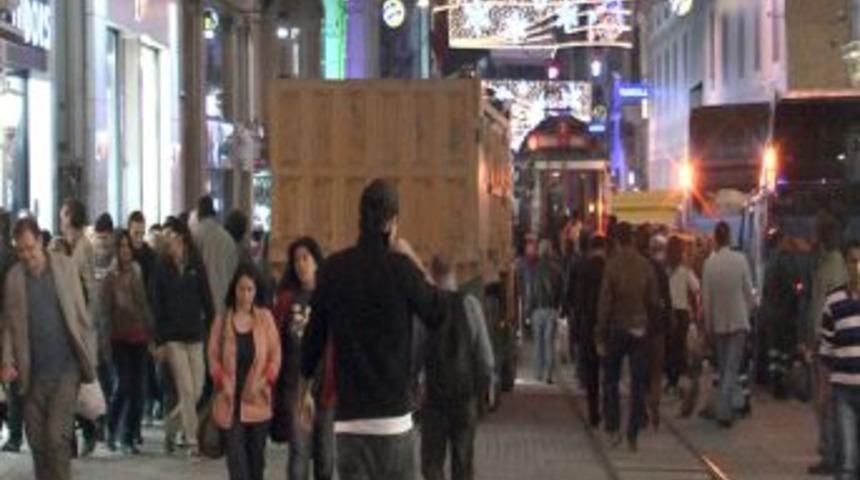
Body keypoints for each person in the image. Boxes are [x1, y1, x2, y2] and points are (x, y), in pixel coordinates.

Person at [301, 179, 449, 480]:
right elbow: (438, 312)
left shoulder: (333, 269)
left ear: (359, 218)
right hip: (393, 419)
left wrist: (303, 392)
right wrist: (412, 259)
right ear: (392, 223)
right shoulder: (402, 269)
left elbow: (312, 343)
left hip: (350, 420)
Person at [0, 217, 96, 480]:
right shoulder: (14, 278)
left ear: (41, 241)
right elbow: (8, 325)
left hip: (66, 368)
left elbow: (80, 314)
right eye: (20, 250)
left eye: (30, 248)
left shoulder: (64, 267)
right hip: (32, 374)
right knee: (37, 440)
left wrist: (90, 353)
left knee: (56, 437)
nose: (26, 255)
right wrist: (7, 361)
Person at [421, 255, 495, 480]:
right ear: (454, 275)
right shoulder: (470, 304)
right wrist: (485, 388)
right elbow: (486, 357)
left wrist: (415, 388)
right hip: (464, 397)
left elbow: (416, 353)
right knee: (463, 464)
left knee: (432, 464)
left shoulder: (425, 307)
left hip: (434, 399)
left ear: (432, 276)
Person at [208, 264, 281, 480]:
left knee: (256, 465)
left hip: (258, 402)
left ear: (256, 291)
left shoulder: (265, 319)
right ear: (234, 289)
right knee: (237, 466)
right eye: (242, 289)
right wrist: (222, 382)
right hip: (230, 404)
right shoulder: (222, 321)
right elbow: (212, 357)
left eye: (250, 289)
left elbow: (275, 357)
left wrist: (262, 383)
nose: (246, 295)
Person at [150, 218, 215, 455]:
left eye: (173, 237)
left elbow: (207, 299)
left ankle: (171, 423)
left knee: (198, 388)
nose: (170, 242)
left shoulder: (196, 264)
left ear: (183, 238)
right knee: (186, 388)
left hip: (195, 334)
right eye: (167, 238)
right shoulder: (161, 268)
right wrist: (159, 341)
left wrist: (213, 327)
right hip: (173, 338)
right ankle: (192, 439)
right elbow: (157, 307)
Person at [272, 237, 334, 480]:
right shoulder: (287, 300)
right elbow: (275, 339)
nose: (300, 264)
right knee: (299, 452)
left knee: (325, 456)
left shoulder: (330, 296)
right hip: (295, 385)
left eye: (305, 258)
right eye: (296, 260)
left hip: (326, 386)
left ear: (316, 261)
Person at [596, 222, 658, 451]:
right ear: (631, 239)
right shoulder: (645, 265)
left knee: (611, 379)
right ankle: (633, 431)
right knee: (637, 382)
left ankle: (613, 427)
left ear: (616, 241)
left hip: (617, 328)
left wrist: (600, 332)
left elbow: (604, 303)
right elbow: (653, 300)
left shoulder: (611, 266)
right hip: (639, 328)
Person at [104, 230, 154, 454]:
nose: (125, 250)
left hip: (139, 336)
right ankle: (111, 425)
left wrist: (151, 333)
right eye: (121, 246)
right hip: (118, 338)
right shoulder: (109, 277)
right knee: (124, 384)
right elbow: (105, 312)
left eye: (127, 246)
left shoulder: (136, 270)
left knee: (138, 389)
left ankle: (129, 435)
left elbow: (143, 304)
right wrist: (104, 343)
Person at [701, 221, 755, 428]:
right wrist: (748, 313)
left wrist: (708, 326)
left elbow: (706, 299)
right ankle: (725, 412)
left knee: (724, 367)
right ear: (730, 237)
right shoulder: (740, 260)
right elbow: (748, 292)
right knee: (732, 367)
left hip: (718, 322)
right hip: (738, 321)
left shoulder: (709, 264)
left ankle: (730, 404)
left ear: (715, 238)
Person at [806, 215, 849, 475]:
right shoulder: (835, 265)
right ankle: (834, 451)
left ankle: (831, 452)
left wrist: (817, 340)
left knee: (826, 400)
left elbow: (825, 310)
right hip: (832, 341)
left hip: (827, 343)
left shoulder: (830, 269)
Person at [820, 240, 860, 480]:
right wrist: (823, 390)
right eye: (853, 261)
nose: (857, 266)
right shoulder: (834, 301)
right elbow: (827, 348)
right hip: (843, 389)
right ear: (846, 265)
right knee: (847, 458)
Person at [638, 229, 672, 429]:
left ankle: (642, 409)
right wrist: (669, 319)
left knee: (640, 371)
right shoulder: (659, 269)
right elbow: (667, 298)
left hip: (640, 326)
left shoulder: (637, 268)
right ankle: (655, 406)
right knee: (656, 371)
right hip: (657, 326)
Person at [761, 230, 800, 399]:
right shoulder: (785, 262)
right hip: (783, 314)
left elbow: (766, 289)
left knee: (774, 351)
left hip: (771, 313)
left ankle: (774, 382)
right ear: (781, 242)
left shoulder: (770, 261)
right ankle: (780, 385)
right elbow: (791, 288)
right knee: (783, 351)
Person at [574, 235, 608, 428]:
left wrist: (576, 327)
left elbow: (577, 299)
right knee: (609, 370)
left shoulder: (582, 267)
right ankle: (609, 410)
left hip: (587, 325)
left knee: (591, 372)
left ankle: (593, 412)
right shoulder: (609, 268)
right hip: (606, 326)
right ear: (603, 248)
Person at [194, 195, 239, 319]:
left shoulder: (194, 236)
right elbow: (234, 273)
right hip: (224, 303)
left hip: (201, 306)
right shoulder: (228, 239)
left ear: (199, 213)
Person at [665, 236, 701, 394]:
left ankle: (670, 380)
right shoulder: (685, 270)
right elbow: (696, 287)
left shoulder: (664, 270)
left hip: (667, 312)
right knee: (679, 348)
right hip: (681, 313)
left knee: (669, 348)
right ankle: (677, 380)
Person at [531, 239, 563, 384]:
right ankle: (548, 375)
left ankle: (539, 373)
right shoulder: (557, 269)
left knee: (538, 342)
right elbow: (562, 289)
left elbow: (530, 290)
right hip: (552, 309)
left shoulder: (535, 269)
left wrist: (528, 309)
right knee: (549, 342)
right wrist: (559, 306)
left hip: (537, 309)